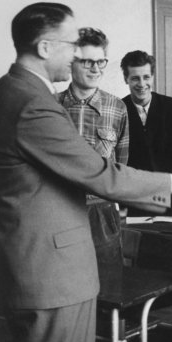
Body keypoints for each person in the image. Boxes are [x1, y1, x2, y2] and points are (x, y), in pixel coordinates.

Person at [0, 2, 172, 342]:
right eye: (71, 46)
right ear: (45, 45)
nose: (75, 56)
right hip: (51, 278)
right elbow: (98, 174)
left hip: (28, 269)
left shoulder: (7, 92)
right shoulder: (34, 104)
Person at [58, 27, 130, 279]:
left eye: (100, 61)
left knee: (108, 286)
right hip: (60, 209)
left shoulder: (117, 107)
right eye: (87, 61)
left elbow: (122, 164)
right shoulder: (51, 105)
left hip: (102, 211)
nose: (95, 68)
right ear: (71, 62)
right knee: (64, 283)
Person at [120, 50, 172, 174]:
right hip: (134, 186)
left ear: (153, 77)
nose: (142, 84)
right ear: (125, 79)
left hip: (167, 184)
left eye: (146, 77)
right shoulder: (119, 108)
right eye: (135, 78)